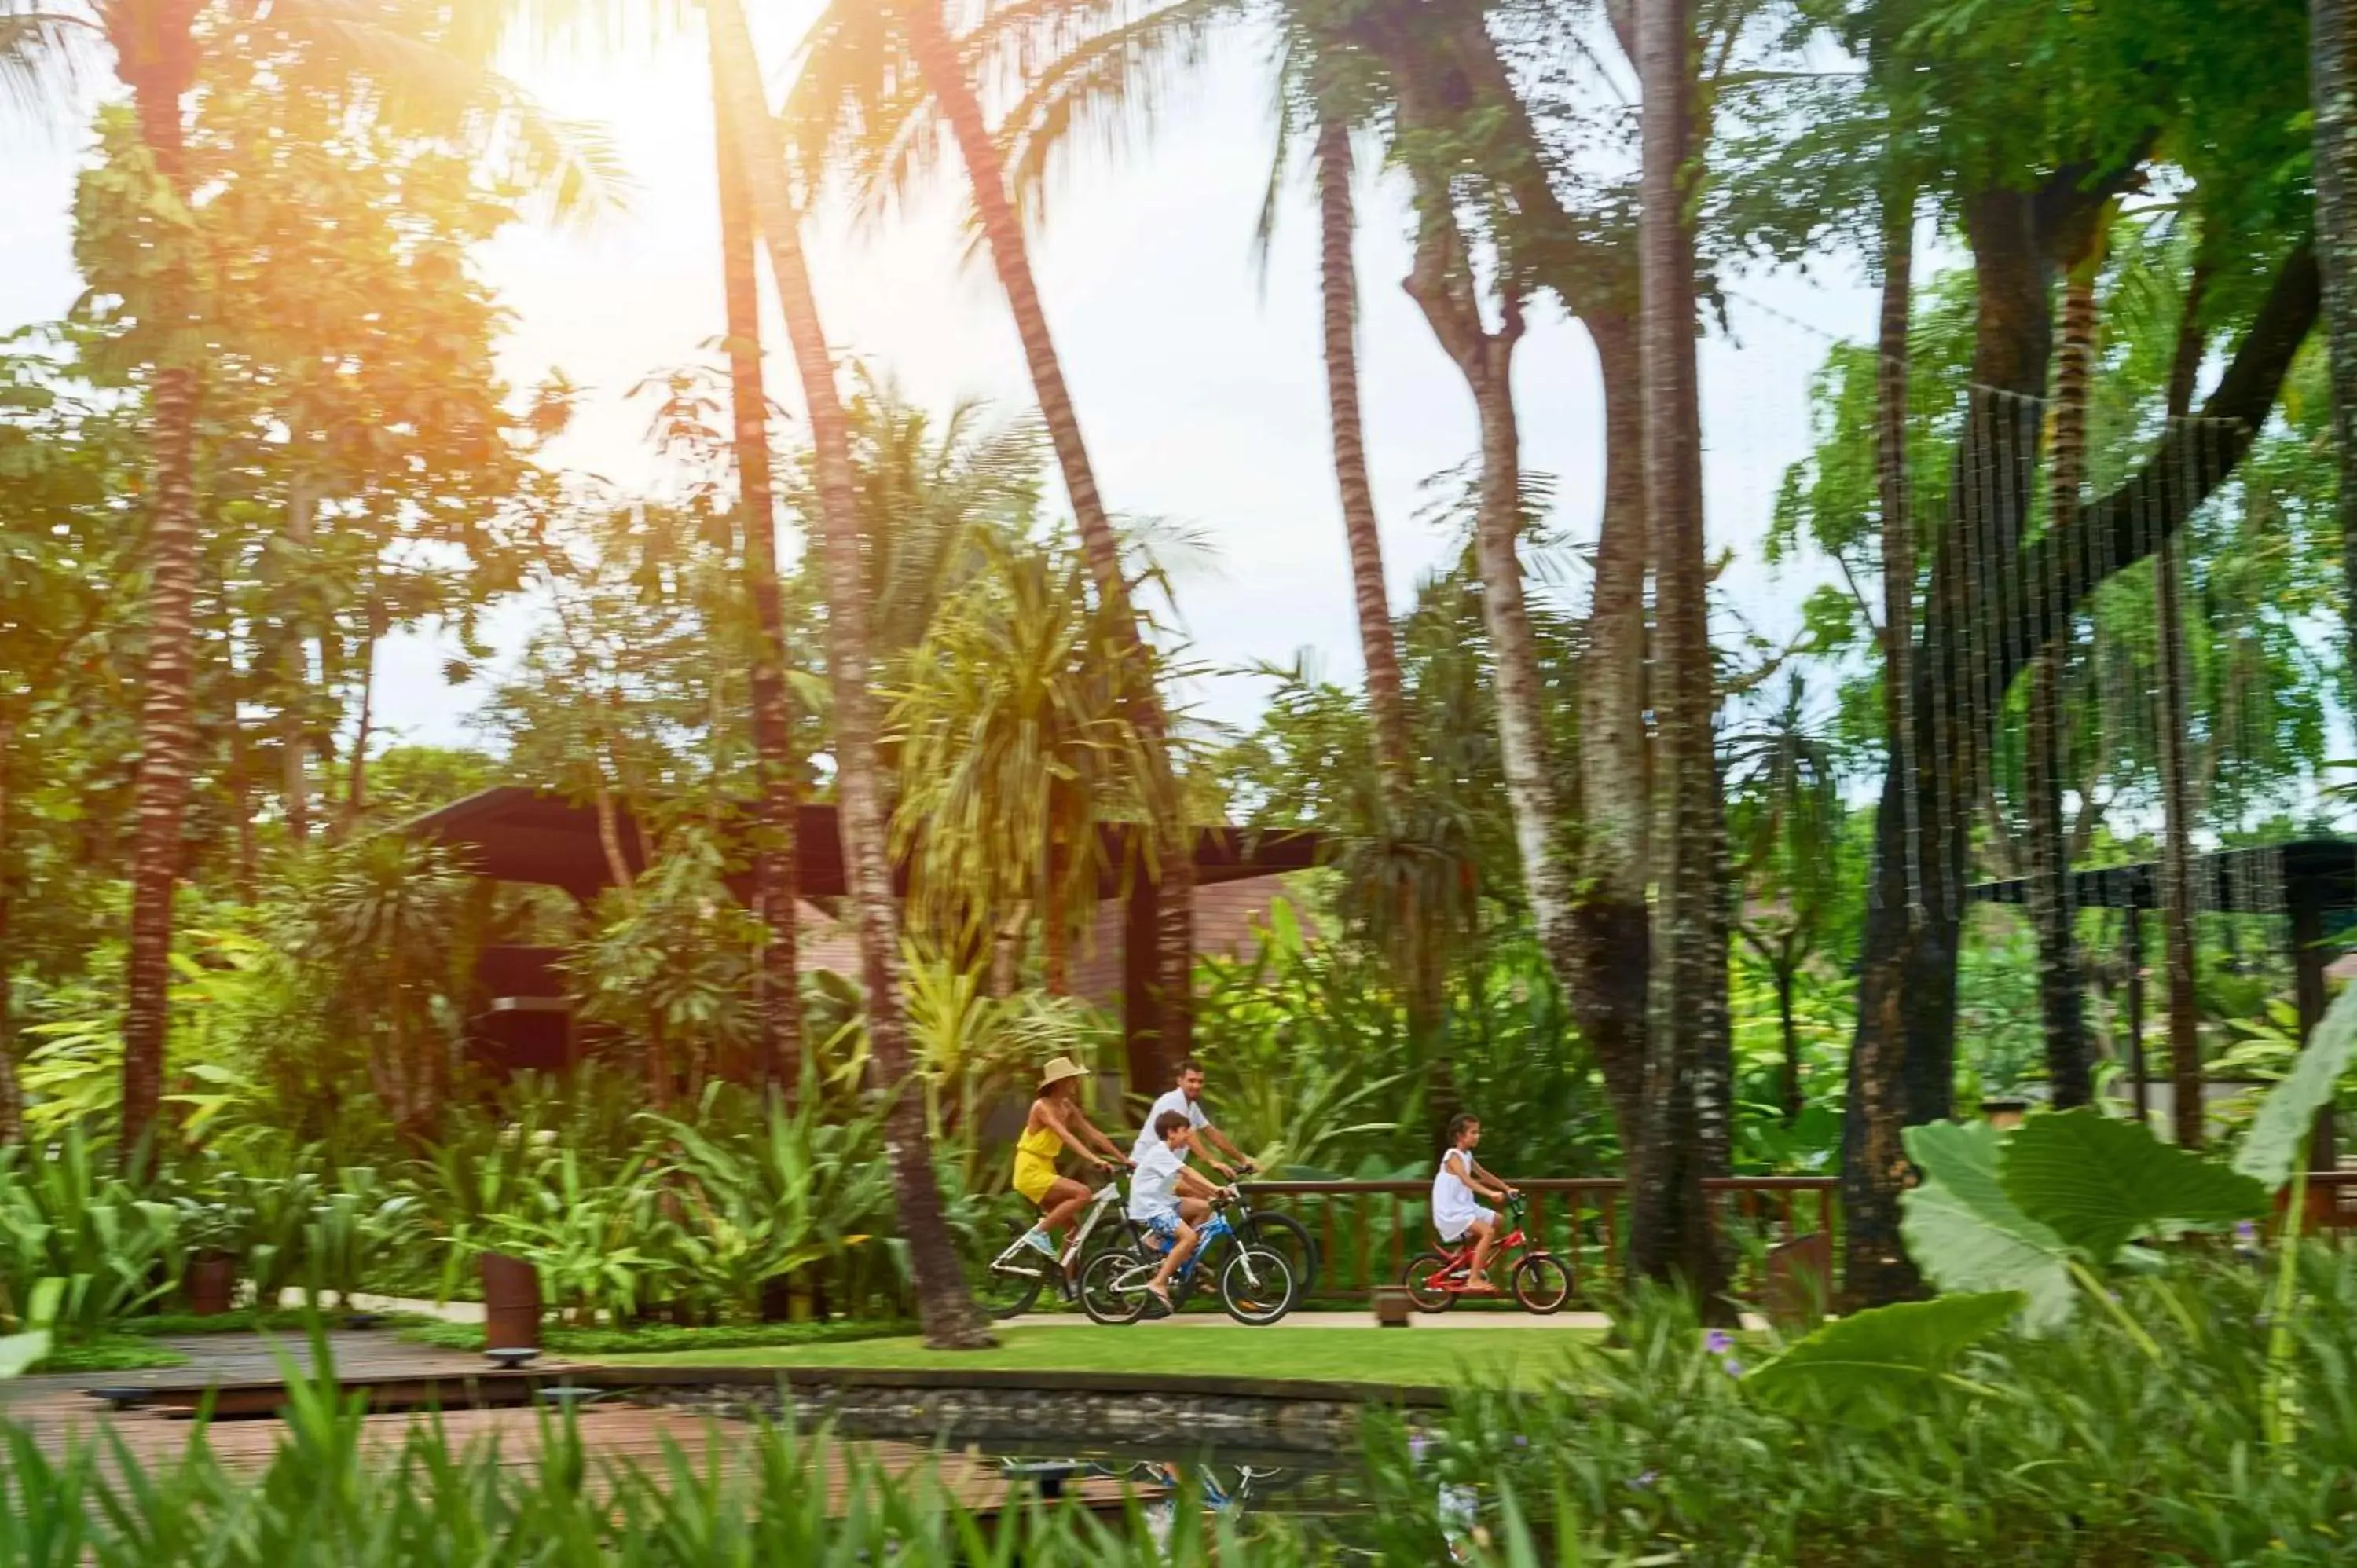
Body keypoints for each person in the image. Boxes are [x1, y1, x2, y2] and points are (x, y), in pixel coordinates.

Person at [1012, 1057, 1130, 1273]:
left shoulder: (1066, 1106)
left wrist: (1125, 1160)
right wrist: (1094, 1159)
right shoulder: (1041, 1106)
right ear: (1059, 1083)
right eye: (1071, 1079)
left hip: (1046, 1168)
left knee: (1074, 1231)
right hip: (1030, 1169)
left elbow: (1093, 1134)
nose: (1075, 1083)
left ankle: (1065, 1285)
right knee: (1083, 1194)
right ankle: (1037, 1234)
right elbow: (1065, 1136)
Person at [1131, 1107, 1235, 1311]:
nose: (1188, 1135)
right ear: (1171, 1132)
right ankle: (1158, 1282)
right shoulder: (1160, 1152)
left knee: (1204, 1208)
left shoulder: (1169, 1154)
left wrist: (1213, 1195)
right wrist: (1215, 1188)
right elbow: (1187, 1171)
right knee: (1189, 1237)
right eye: (1184, 1130)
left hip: (1164, 1202)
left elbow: (1182, 1182)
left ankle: (1182, 1254)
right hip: (1151, 1207)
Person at [1431, 1114, 1518, 1294]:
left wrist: (1506, 1188)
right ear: (1459, 1136)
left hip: (1466, 1207)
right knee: (1488, 1232)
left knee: (1498, 1221)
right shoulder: (1452, 1156)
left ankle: (1462, 1258)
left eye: (1478, 1132)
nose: (1478, 1136)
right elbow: (1465, 1179)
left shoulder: (1467, 1155)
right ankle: (1473, 1278)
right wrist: (1491, 1193)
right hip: (1451, 1211)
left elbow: (1484, 1174)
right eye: (1474, 1132)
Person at [1131, 1059, 1252, 1178]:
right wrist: (1213, 1162)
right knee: (1205, 1193)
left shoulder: (1192, 1107)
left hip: (1166, 1170)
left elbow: (1213, 1134)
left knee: (1208, 1193)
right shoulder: (1173, 1101)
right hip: (1146, 1167)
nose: (1196, 1086)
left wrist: (1243, 1160)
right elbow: (1189, 1136)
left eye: (1200, 1082)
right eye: (1191, 1081)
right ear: (1179, 1081)